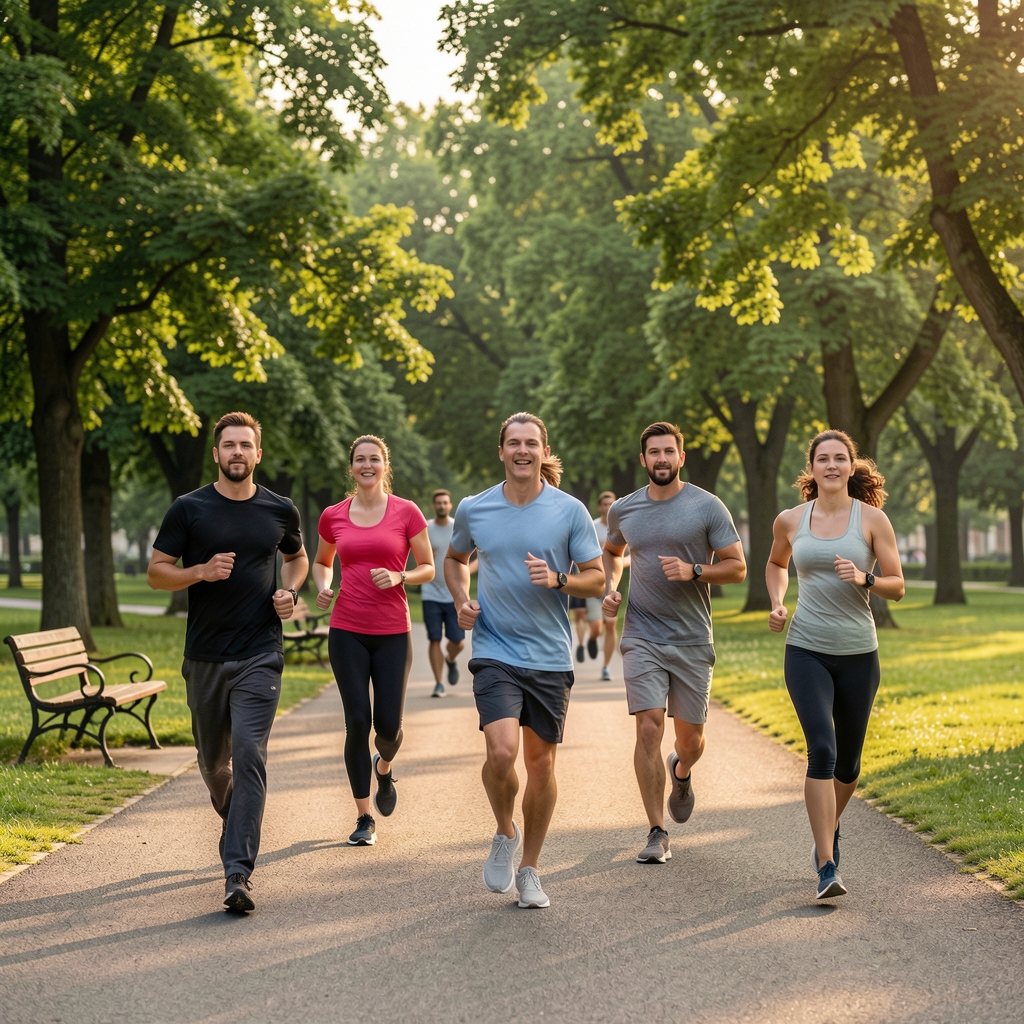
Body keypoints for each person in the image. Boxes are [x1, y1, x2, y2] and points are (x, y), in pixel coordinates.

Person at [149, 412, 308, 914]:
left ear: (258, 453)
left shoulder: (279, 509)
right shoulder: (188, 509)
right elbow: (157, 572)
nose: (237, 452)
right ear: (216, 453)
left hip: (261, 653)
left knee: (249, 753)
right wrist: (199, 571)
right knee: (214, 763)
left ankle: (237, 872)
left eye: (246, 445)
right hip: (204, 656)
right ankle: (235, 818)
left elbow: (298, 558)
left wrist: (290, 591)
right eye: (229, 445)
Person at [445, 412, 604, 908]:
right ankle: (504, 831)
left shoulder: (570, 511)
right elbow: (454, 559)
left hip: (550, 656)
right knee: (501, 754)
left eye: (531, 443)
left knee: (540, 765)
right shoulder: (475, 508)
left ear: (543, 451)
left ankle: (530, 868)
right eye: (513, 443)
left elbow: (597, 578)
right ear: (501, 451)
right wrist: (462, 600)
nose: (522, 451)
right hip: (495, 649)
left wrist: (558, 579)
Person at [766, 429, 904, 900]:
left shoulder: (872, 520)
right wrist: (777, 602)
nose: (831, 465)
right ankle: (827, 865)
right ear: (812, 467)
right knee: (822, 750)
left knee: (848, 766)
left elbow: (897, 585)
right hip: (806, 649)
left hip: (859, 654)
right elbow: (776, 564)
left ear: (850, 465)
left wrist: (865, 578)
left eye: (839, 458)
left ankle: (829, 824)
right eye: (822, 458)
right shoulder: (790, 520)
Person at [602, 423, 746, 867]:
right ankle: (656, 831)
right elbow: (612, 552)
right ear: (643, 459)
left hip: (691, 638)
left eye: (669, 451)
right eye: (653, 452)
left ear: (681, 457)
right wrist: (611, 586)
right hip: (642, 634)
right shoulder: (624, 509)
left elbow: (737, 567)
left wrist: (695, 571)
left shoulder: (707, 506)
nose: (661, 459)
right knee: (648, 726)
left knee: (691, 741)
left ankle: (680, 770)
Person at [313, 435, 434, 847]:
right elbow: (322, 561)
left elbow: (429, 567)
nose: (367, 465)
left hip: (393, 633)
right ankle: (364, 817)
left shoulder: (407, 512)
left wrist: (402, 575)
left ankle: (383, 766)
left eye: (374, 459)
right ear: (351, 467)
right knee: (357, 722)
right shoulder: (333, 515)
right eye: (360, 459)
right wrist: (324, 586)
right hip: (347, 629)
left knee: (388, 726)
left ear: (385, 466)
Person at [422, 489, 477, 697]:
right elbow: (420, 556)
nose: (442, 506)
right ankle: (438, 683)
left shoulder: (458, 526)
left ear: (450, 505)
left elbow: (477, 557)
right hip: (430, 593)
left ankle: (451, 659)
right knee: (434, 638)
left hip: (454, 594)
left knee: (458, 641)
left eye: (445, 503)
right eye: (438, 503)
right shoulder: (426, 528)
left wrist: (462, 572)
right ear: (434, 505)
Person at [593, 490, 629, 682]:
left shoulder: (624, 525)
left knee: (611, 624)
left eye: (611, 504)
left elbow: (630, 556)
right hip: (595, 582)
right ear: (599, 507)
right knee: (595, 627)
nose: (608, 507)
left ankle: (606, 667)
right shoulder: (593, 527)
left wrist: (616, 563)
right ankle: (592, 638)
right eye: (605, 504)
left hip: (613, 583)